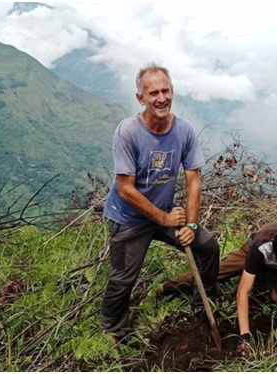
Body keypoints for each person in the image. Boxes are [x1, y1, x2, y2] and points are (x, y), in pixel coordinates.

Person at [100, 63, 220, 339]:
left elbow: (193, 180)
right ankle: (112, 330)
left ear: (173, 92)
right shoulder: (127, 132)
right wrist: (164, 218)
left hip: (167, 213)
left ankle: (205, 303)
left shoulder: (184, 131)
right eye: (153, 93)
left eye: (165, 91)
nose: (161, 98)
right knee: (123, 278)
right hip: (129, 219)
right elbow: (126, 189)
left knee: (207, 247)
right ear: (140, 98)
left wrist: (190, 223)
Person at [156, 220, 277, 356]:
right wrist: (245, 336)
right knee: (213, 272)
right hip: (257, 252)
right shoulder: (261, 244)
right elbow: (243, 291)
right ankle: (164, 287)